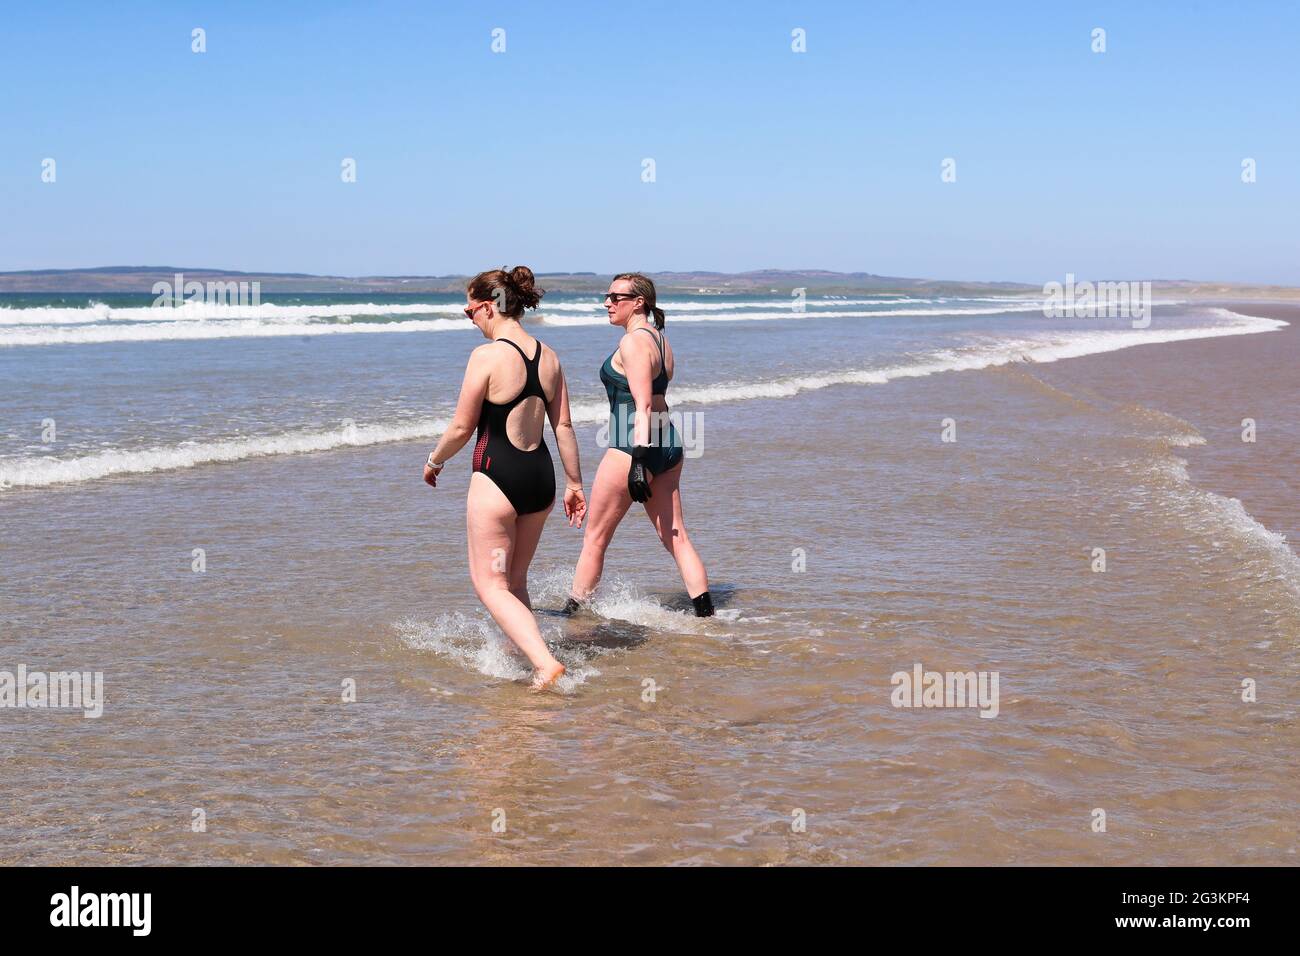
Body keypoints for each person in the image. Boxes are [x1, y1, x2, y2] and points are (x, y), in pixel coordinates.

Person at [424, 266, 586, 689]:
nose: (470, 319)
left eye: (469, 310)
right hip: (541, 481)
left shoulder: (487, 356)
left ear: (488, 306)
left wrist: (435, 460)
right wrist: (575, 485)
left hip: (498, 478)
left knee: (490, 584)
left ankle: (544, 663)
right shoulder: (549, 356)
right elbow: (564, 427)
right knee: (515, 579)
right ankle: (521, 655)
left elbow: (462, 427)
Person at [565, 272, 714, 617]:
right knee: (677, 537)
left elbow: (643, 405)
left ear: (638, 303)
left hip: (633, 445)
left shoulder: (632, 343)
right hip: (670, 443)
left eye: (615, 298)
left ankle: (572, 619)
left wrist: (637, 462)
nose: (607, 303)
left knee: (595, 539)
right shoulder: (661, 340)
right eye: (607, 297)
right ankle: (707, 617)